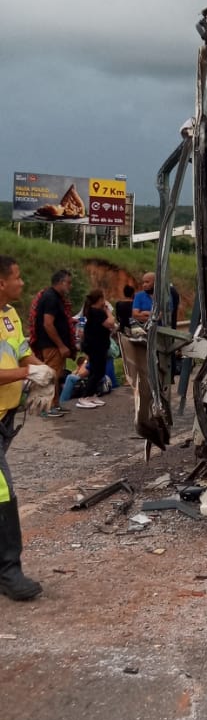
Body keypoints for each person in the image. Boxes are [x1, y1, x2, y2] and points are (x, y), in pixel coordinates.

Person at [0, 256, 46, 599]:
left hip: (5, 419)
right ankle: (9, 572)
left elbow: (22, 354)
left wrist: (42, 371)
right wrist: (26, 375)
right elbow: (18, 369)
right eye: (17, 277)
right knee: (3, 492)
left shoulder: (10, 315)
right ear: (2, 282)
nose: (22, 283)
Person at [33, 269, 74, 415]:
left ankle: (55, 404)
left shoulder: (56, 297)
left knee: (57, 374)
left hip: (55, 344)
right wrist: (61, 345)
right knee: (51, 375)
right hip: (51, 344)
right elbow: (48, 324)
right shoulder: (51, 297)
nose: (70, 286)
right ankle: (47, 407)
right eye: (68, 283)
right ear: (61, 282)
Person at [78, 289, 117, 409]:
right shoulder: (97, 312)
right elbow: (110, 323)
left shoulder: (92, 311)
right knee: (96, 371)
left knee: (99, 370)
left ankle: (92, 394)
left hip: (98, 345)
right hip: (95, 346)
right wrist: (107, 311)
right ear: (100, 299)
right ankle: (84, 396)